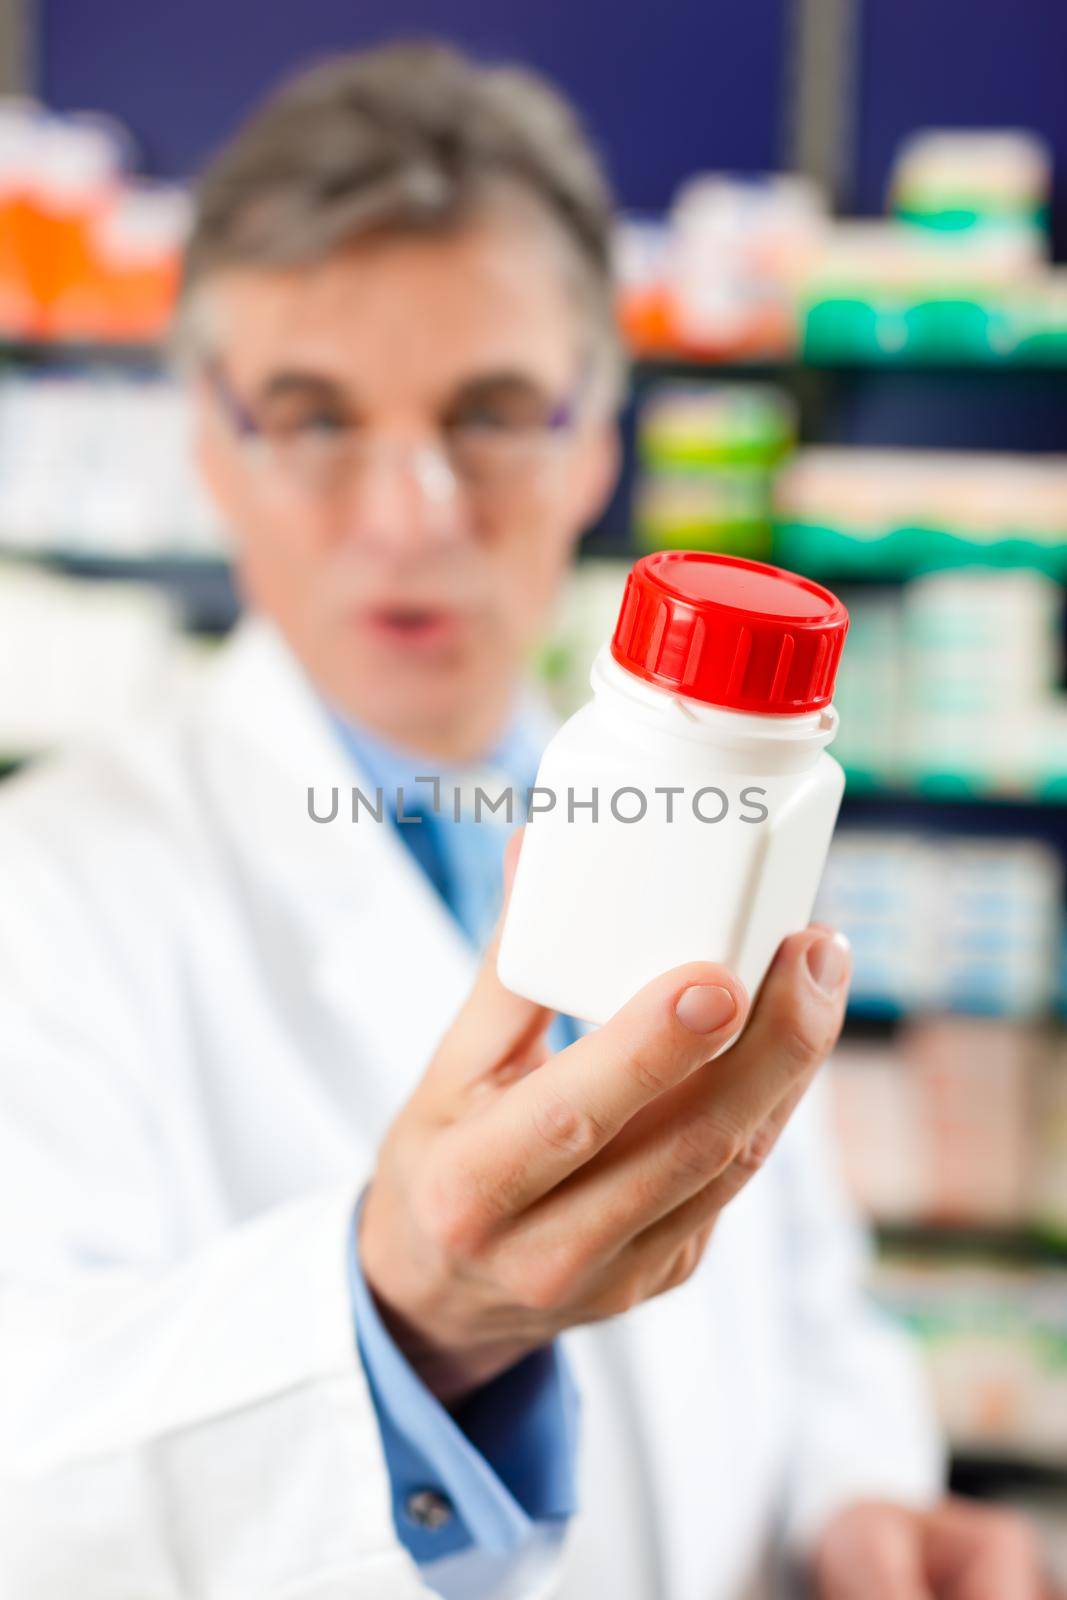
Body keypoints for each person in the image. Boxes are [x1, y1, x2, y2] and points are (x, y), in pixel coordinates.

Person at [0, 40, 1048, 1600]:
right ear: (210, 447)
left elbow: (804, 1297)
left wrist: (856, 1504)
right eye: (312, 415)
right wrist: (400, 1317)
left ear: (599, 440)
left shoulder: (717, 817)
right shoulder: (53, 892)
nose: (414, 509)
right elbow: (39, 1484)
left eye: (494, 411)